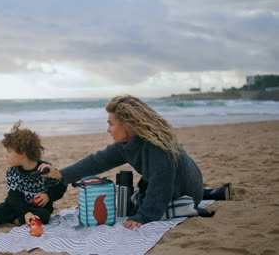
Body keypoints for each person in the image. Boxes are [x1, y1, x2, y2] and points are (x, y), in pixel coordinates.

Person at [38, 95, 231, 230]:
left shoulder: (158, 148)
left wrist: (143, 217)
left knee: (138, 204)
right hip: (173, 182)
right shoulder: (127, 144)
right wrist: (61, 174)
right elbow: (97, 161)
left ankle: (199, 200)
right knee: (134, 196)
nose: (108, 130)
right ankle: (212, 193)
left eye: (111, 124)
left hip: (185, 190)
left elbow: (160, 186)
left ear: (128, 124)